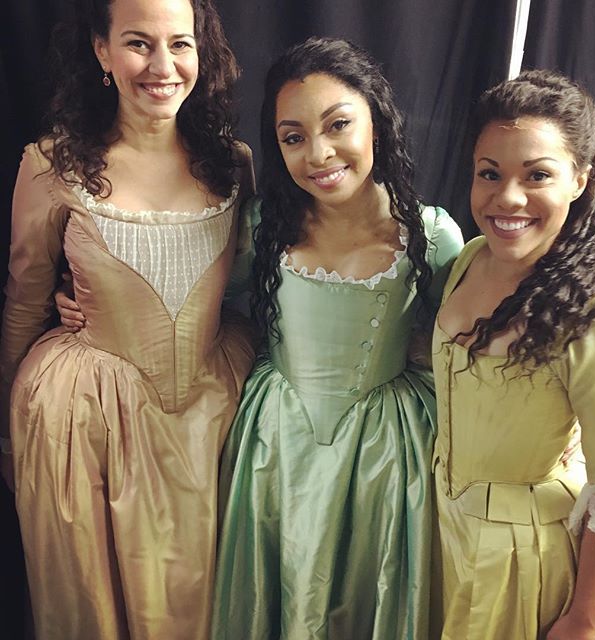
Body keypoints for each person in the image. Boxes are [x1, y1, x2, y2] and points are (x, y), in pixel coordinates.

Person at [0, 0, 256, 637]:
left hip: (210, 416)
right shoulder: (51, 166)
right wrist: (5, 430)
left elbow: (250, 289)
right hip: (84, 423)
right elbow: (26, 301)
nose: (163, 66)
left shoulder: (235, 163)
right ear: (100, 50)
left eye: (181, 44)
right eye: (139, 43)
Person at [208, 37, 463, 640]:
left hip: (385, 457)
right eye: (293, 137)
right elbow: (209, 306)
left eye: (337, 124)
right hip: (276, 446)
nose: (318, 154)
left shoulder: (429, 236)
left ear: (376, 119)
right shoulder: (261, 227)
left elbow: (468, 339)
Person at [432, 69, 595, 639]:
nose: (508, 198)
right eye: (490, 174)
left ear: (580, 179)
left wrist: (585, 618)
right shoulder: (470, 258)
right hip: (445, 531)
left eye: (538, 175)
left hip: (526, 564)